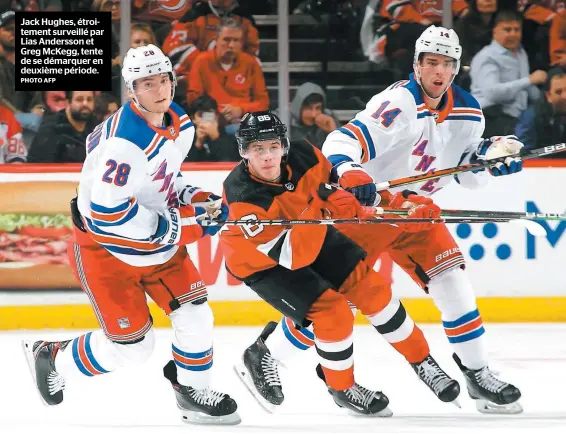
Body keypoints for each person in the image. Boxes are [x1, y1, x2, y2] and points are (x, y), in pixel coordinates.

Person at [243, 25, 524, 415]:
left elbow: (462, 171)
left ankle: (476, 374)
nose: (437, 71)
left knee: (454, 284)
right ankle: (267, 354)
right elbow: (340, 141)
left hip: (416, 213)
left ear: (456, 68)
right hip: (370, 212)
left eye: (445, 63)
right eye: (430, 62)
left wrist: (492, 159)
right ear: (416, 64)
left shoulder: (469, 111)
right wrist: (350, 171)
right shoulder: (397, 104)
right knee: (333, 299)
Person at [21, 44, 240, 426]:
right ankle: (52, 356)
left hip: (155, 243)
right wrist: (185, 225)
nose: (159, 89)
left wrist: (194, 197)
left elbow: (164, 179)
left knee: (195, 315)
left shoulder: (178, 122)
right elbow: (110, 216)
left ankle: (191, 391)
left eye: (164, 79)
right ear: (131, 90)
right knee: (134, 350)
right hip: (106, 248)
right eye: (147, 83)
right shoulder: (124, 145)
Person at [220, 111, 459, 415]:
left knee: (374, 291)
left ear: (283, 145)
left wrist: (400, 205)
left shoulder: (304, 153)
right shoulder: (244, 198)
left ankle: (423, 362)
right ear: (244, 151)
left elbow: (333, 185)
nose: (267, 157)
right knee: (333, 312)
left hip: (312, 232)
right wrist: (326, 208)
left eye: (272, 147)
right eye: (257, 149)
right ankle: (342, 387)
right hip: (264, 263)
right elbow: (295, 256)